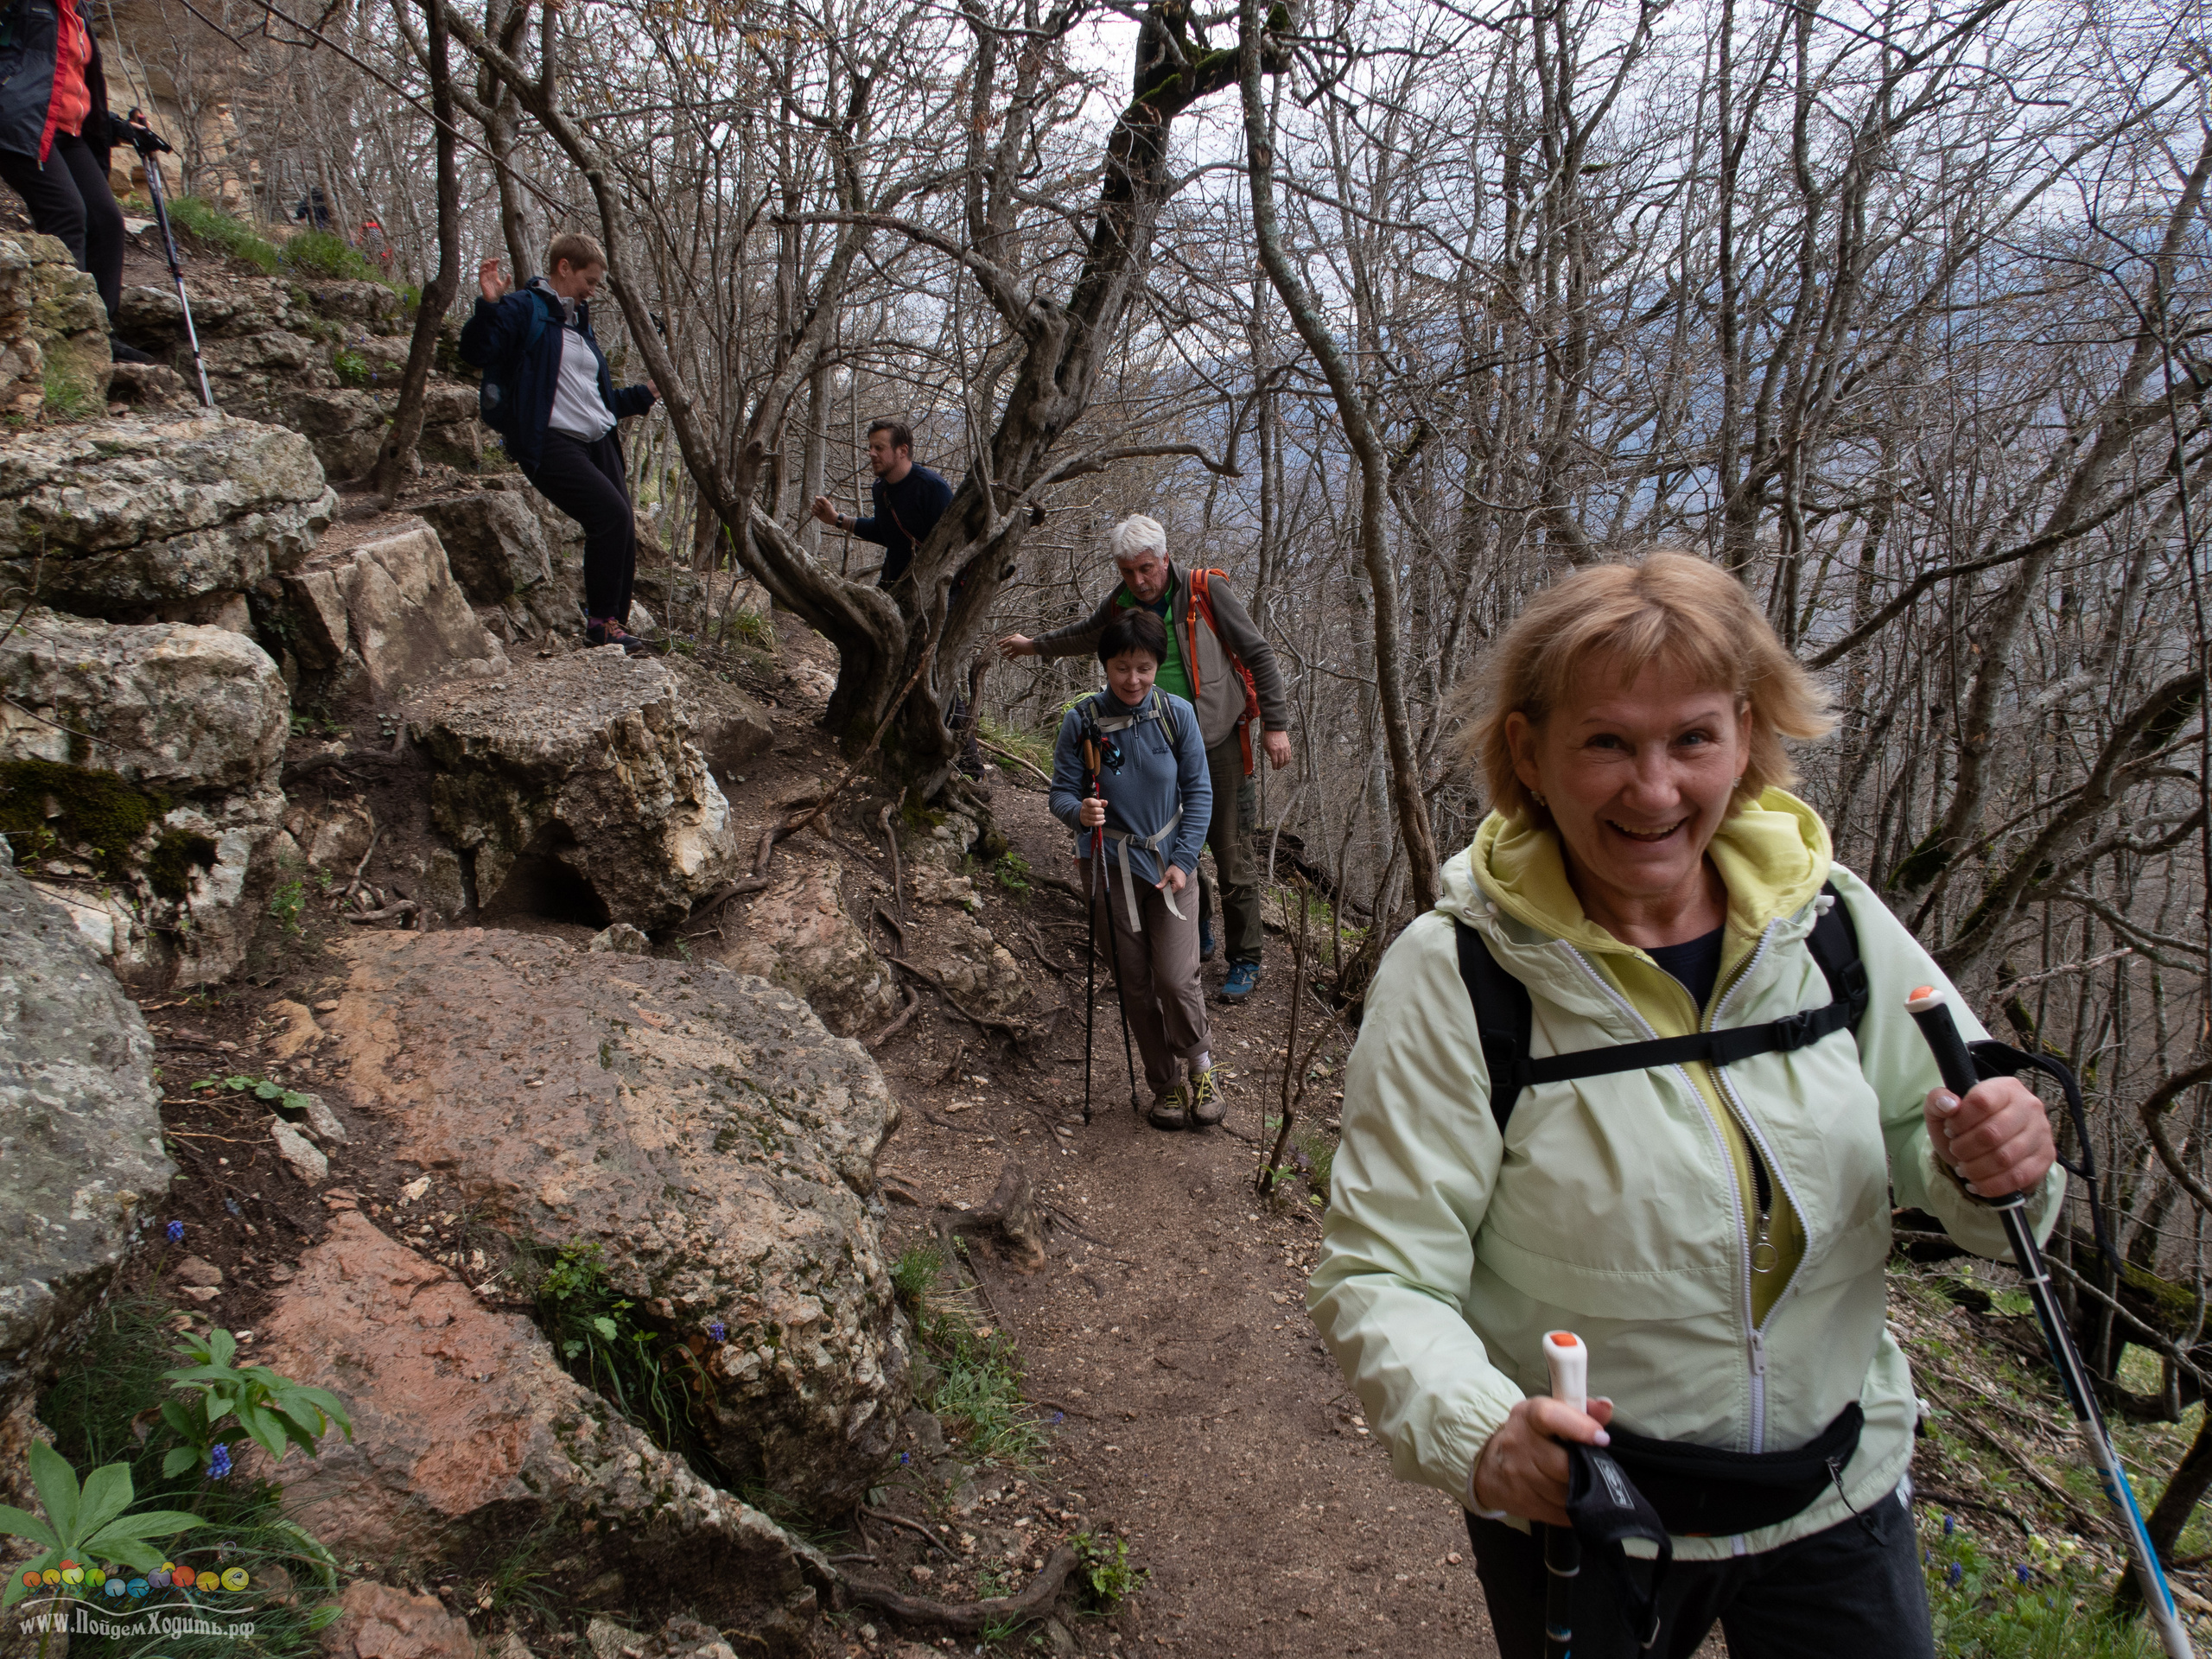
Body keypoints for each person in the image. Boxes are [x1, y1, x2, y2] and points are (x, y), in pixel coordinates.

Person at [1306, 553, 2063, 1657]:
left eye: (1692, 739)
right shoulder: (1461, 973)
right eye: (1606, 741)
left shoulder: (1832, 927)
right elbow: (1382, 1273)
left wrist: (2002, 1165)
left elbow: (1968, 1182)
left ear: (1747, 736)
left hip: (1836, 1495)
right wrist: (1484, 1438)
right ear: (1529, 751)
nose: (1653, 790)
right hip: (1586, 1509)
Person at [1001, 515, 1291, 1002]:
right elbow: (1090, 635)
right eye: (1127, 571)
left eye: (1146, 568)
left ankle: (1246, 958)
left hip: (1216, 740)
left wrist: (1276, 724)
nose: (1139, 580)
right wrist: (1036, 646)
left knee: (1229, 850)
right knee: (1172, 843)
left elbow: (1258, 652)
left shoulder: (1204, 592)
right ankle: (1192, 932)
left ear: (1165, 558)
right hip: (1157, 747)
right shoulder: (1121, 604)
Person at [1051, 609, 1220, 1129]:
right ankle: (1165, 1085)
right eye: (1122, 667)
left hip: (1170, 866)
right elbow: (1060, 792)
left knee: (1175, 978)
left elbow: (1199, 792)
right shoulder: (1081, 720)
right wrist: (1077, 812)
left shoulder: (1176, 714)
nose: (1133, 680)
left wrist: (1185, 860)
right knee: (1134, 983)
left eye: (1143, 668)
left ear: (1156, 666)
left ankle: (1200, 1066)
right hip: (1108, 868)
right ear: (1105, 665)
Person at [459, 232, 657, 653]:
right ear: (564, 267)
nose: (593, 290)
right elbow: (476, 350)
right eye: (590, 279)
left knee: (622, 527)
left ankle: (613, 627)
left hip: (597, 439)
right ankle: (601, 624)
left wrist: (644, 394)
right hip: (550, 440)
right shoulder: (523, 308)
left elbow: (597, 401)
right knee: (608, 514)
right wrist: (490, 305)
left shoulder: (579, 327)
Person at [0, 0, 154, 362]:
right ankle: (63, 335)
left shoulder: (78, 11)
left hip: (67, 131)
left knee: (106, 221)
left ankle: (99, 330)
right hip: (19, 123)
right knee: (68, 213)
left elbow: (73, 87)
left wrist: (119, 127)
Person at [810, 419, 953, 588]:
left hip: (932, 590)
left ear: (902, 450)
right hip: (893, 584)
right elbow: (883, 532)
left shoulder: (931, 487)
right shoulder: (880, 488)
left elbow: (951, 545)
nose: (871, 453)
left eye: (879, 448)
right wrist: (836, 519)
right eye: (870, 447)